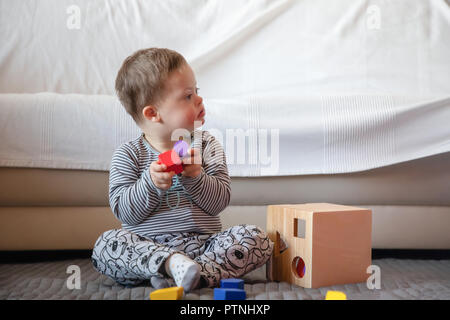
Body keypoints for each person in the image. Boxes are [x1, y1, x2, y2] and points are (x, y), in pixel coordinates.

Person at [91, 48, 273, 291]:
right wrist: (150, 183)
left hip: (204, 245)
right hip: (148, 247)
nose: (199, 100)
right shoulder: (128, 155)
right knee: (105, 245)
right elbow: (125, 213)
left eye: (196, 91)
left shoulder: (207, 144)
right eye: (187, 96)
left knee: (258, 238)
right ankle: (171, 266)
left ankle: (192, 272)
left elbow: (219, 201)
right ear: (153, 113)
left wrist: (196, 177)